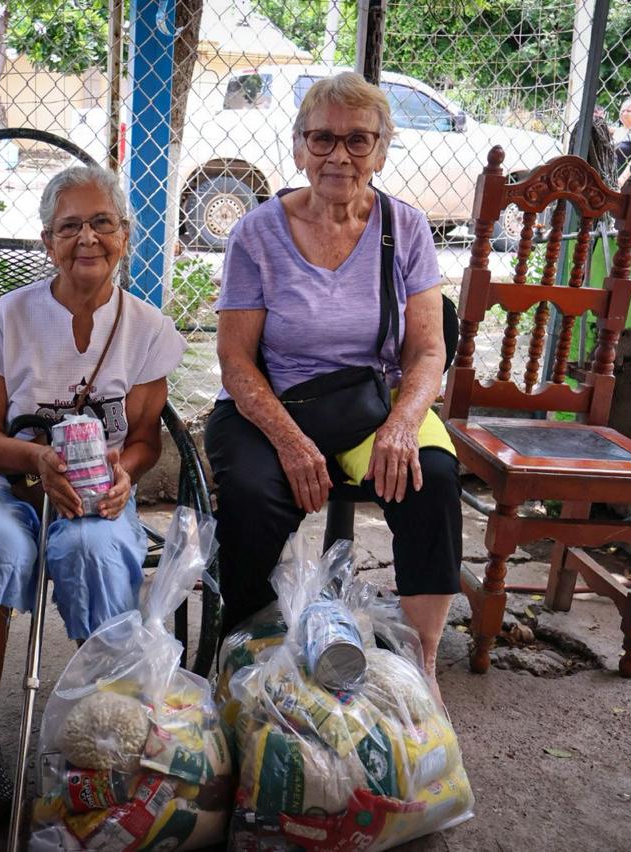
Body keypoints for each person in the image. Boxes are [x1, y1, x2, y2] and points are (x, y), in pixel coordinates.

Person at [0, 165, 185, 829]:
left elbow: (143, 441)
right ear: (46, 241)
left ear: (125, 236)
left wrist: (128, 472)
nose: (87, 237)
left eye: (101, 222)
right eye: (69, 225)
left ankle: (98, 734)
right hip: (1, 482)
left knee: (100, 551)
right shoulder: (12, 318)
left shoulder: (147, 329)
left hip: (94, 494)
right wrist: (35, 458)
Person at [204, 72, 460, 703]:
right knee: (252, 495)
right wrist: (290, 443)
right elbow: (236, 362)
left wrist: (402, 425)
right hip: (273, 403)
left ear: (381, 149)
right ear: (297, 147)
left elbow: (429, 349)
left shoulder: (406, 228)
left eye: (357, 140)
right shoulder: (257, 232)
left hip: (373, 403)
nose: (338, 155)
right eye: (322, 138)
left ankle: (423, 665)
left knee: (434, 478)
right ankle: (247, 652)